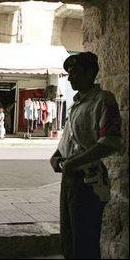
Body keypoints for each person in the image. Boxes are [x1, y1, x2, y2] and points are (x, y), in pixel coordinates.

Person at [49, 52, 122, 259]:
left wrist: (73, 163)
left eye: (75, 73)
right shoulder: (76, 104)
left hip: (89, 181)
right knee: (69, 238)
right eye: (69, 74)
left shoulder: (103, 101)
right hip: (71, 177)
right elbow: (69, 140)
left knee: (85, 241)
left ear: (91, 72)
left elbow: (110, 142)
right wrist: (57, 156)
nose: (70, 78)